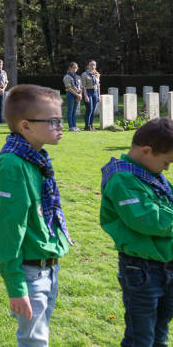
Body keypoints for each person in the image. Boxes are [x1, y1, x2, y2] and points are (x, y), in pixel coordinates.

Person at [0, 84, 70, 347]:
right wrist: (16, 285)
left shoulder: (36, 158)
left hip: (48, 267)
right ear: (25, 126)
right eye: (53, 121)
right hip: (30, 272)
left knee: (39, 337)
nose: (61, 126)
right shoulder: (12, 166)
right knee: (34, 341)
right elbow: (6, 231)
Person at [100, 118, 173, 347]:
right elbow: (148, 220)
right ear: (146, 151)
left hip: (167, 266)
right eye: (166, 162)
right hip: (142, 271)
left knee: (160, 334)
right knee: (140, 338)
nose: (167, 169)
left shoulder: (151, 173)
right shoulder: (122, 178)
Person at [81, 60, 100, 132]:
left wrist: (99, 95)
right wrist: (85, 96)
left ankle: (91, 125)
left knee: (93, 110)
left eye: (94, 65)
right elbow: (83, 86)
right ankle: (87, 126)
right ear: (88, 66)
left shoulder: (97, 74)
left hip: (95, 92)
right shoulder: (84, 74)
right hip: (88, 92)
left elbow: (98, 85)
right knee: (89, 109)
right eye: (91, 65)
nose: (93, 66)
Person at [63, 62, 82, 132]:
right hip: (71, 95)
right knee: (70, 111)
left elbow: (80, 87)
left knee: (74, 111)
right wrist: (77, 95)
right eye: (73, 67)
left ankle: (74, 126)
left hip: (77, 94)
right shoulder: (67, 77)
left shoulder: (77, 77)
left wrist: (80, 95)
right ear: (70, 68)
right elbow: (69, 88)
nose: (75, 69)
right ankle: (71, 127)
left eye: (76, 68)